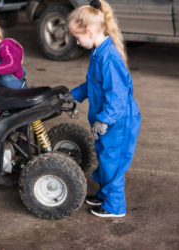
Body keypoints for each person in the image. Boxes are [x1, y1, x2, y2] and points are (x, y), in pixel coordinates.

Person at [64, 0, 141, 218]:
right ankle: (106, 194)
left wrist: (105, 119)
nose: (77, 43)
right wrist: (73, 95)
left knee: (112, 163)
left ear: (89, 32)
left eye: (77, 38)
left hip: (118, 122)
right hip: (108, 121)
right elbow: (93, 85)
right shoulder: (98, 53)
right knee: (105, 157)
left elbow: (116, 96)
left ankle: (115, 206)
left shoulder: (108, 57)